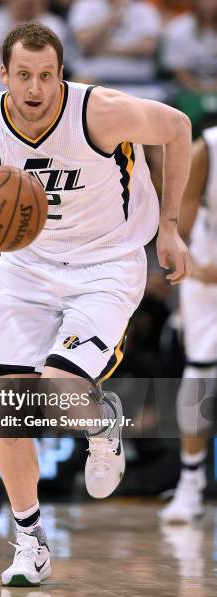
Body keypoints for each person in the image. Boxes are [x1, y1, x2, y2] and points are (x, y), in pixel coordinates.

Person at [0, 22, 191, 586]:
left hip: (106, 263)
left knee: (60, 386)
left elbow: (179, 127)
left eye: (46, 76)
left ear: (60, 73)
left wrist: (170, 228)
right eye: (23, 77)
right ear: (4, 76)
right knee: (8, 410)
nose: (35, 89)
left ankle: (102, 422)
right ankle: (30, 542)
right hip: (26, 265)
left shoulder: (100, 112)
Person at [159, 126, 217, 523]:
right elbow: (182, 224)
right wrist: (192, 267)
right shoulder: (207, 149)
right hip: (209, 279)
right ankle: (190, 484)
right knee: (199, 377)